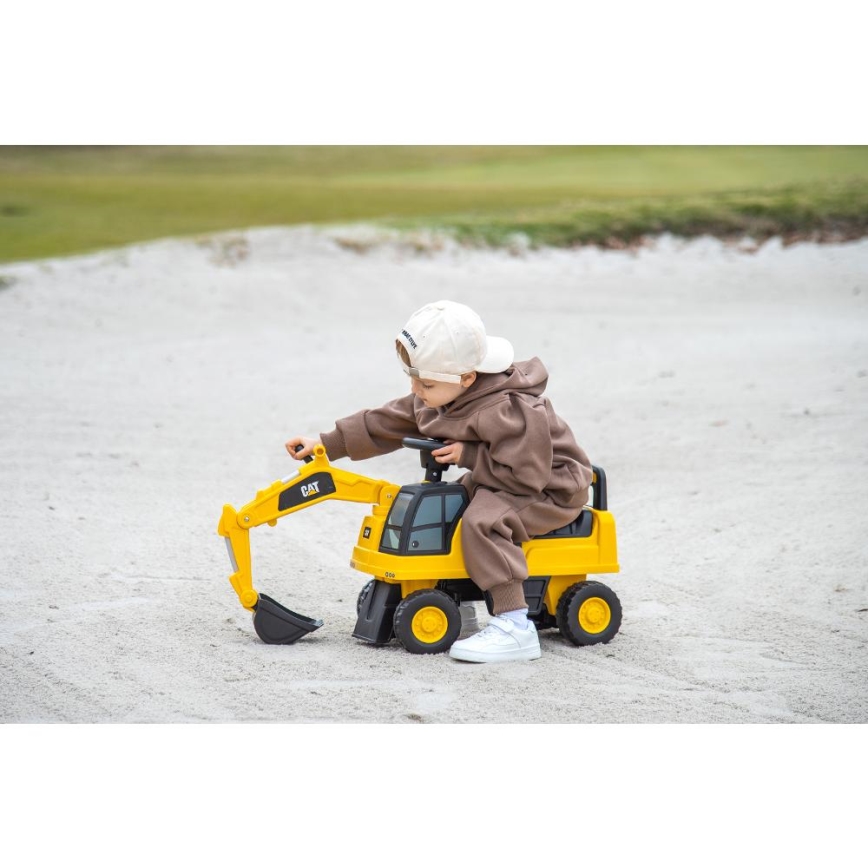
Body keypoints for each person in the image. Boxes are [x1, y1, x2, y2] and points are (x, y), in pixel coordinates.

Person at [286, 300, 593, 663]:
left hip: (549, 486)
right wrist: (327, 444)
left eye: (426, 383)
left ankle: (514, 626)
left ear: (467, 378)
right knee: (449, 509)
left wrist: (469, 455)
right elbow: (388, 421)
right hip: (500, 476)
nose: (416, 389)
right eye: (412, 379)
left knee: (483, 522)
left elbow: (527, 475)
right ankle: (456, 599)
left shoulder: (509, 410)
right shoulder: (440, 394)